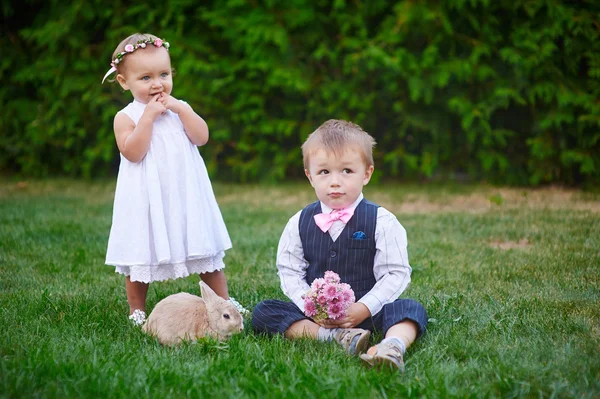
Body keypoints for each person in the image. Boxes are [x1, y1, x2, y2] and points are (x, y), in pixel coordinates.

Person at [252, 119, 428, 371]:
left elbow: (395, 273)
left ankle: (392, 346)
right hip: (318, 318)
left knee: (410, 308)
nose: (335, 181)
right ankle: (335, 338)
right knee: (264, 312)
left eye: (346, 171)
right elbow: (290, 270)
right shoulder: (298, 222)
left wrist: (364, 307)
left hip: (371, 312)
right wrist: (309, 307)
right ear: (310, 176)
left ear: (366, 174)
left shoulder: (383, 221)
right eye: (324, 172)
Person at [102, 33, 246, 325]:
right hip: (147, 198)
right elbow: (133, 152)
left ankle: (224, 302)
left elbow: (201, 137)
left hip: (185, 194)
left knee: (203, 245)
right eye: (145, 77)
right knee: (141, 249)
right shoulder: (126, 116)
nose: (157, 83)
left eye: (164, 74)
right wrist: (148, 118)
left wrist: (182, 108)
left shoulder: (179, 108)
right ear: (124, 82)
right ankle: (137, 311)